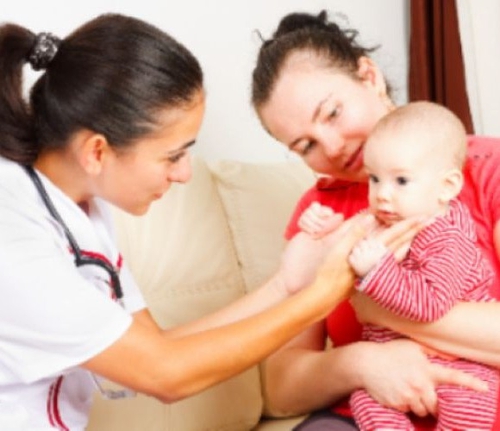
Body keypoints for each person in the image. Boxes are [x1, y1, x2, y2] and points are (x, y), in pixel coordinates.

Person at [0, 14, 424, 431]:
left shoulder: (83, 209)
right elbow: (164, 373)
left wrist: (285, 284)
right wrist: (325, 291)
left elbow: (158, 344)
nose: (184, 173)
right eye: (172, 155)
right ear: (96, 153)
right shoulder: (13, 231)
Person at [250, 9, 500, 431]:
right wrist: (365, 363)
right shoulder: (319, 217)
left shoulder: (484, 168)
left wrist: (375, 307)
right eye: (305, 144)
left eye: (332, 113)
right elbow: (282, 386)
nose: (331, 147)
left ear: (369, 76)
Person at [299, 101, 499, 430]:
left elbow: (431, 304)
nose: (382, 195)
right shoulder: (384, 218)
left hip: (462, 364)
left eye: (401, 181)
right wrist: (322, 231)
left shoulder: (448, 236)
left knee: (470, 400)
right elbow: (334, 256)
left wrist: (377, 274)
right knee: (364, 401)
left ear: (446, 187)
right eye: (375, 179)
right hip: (388, 365)